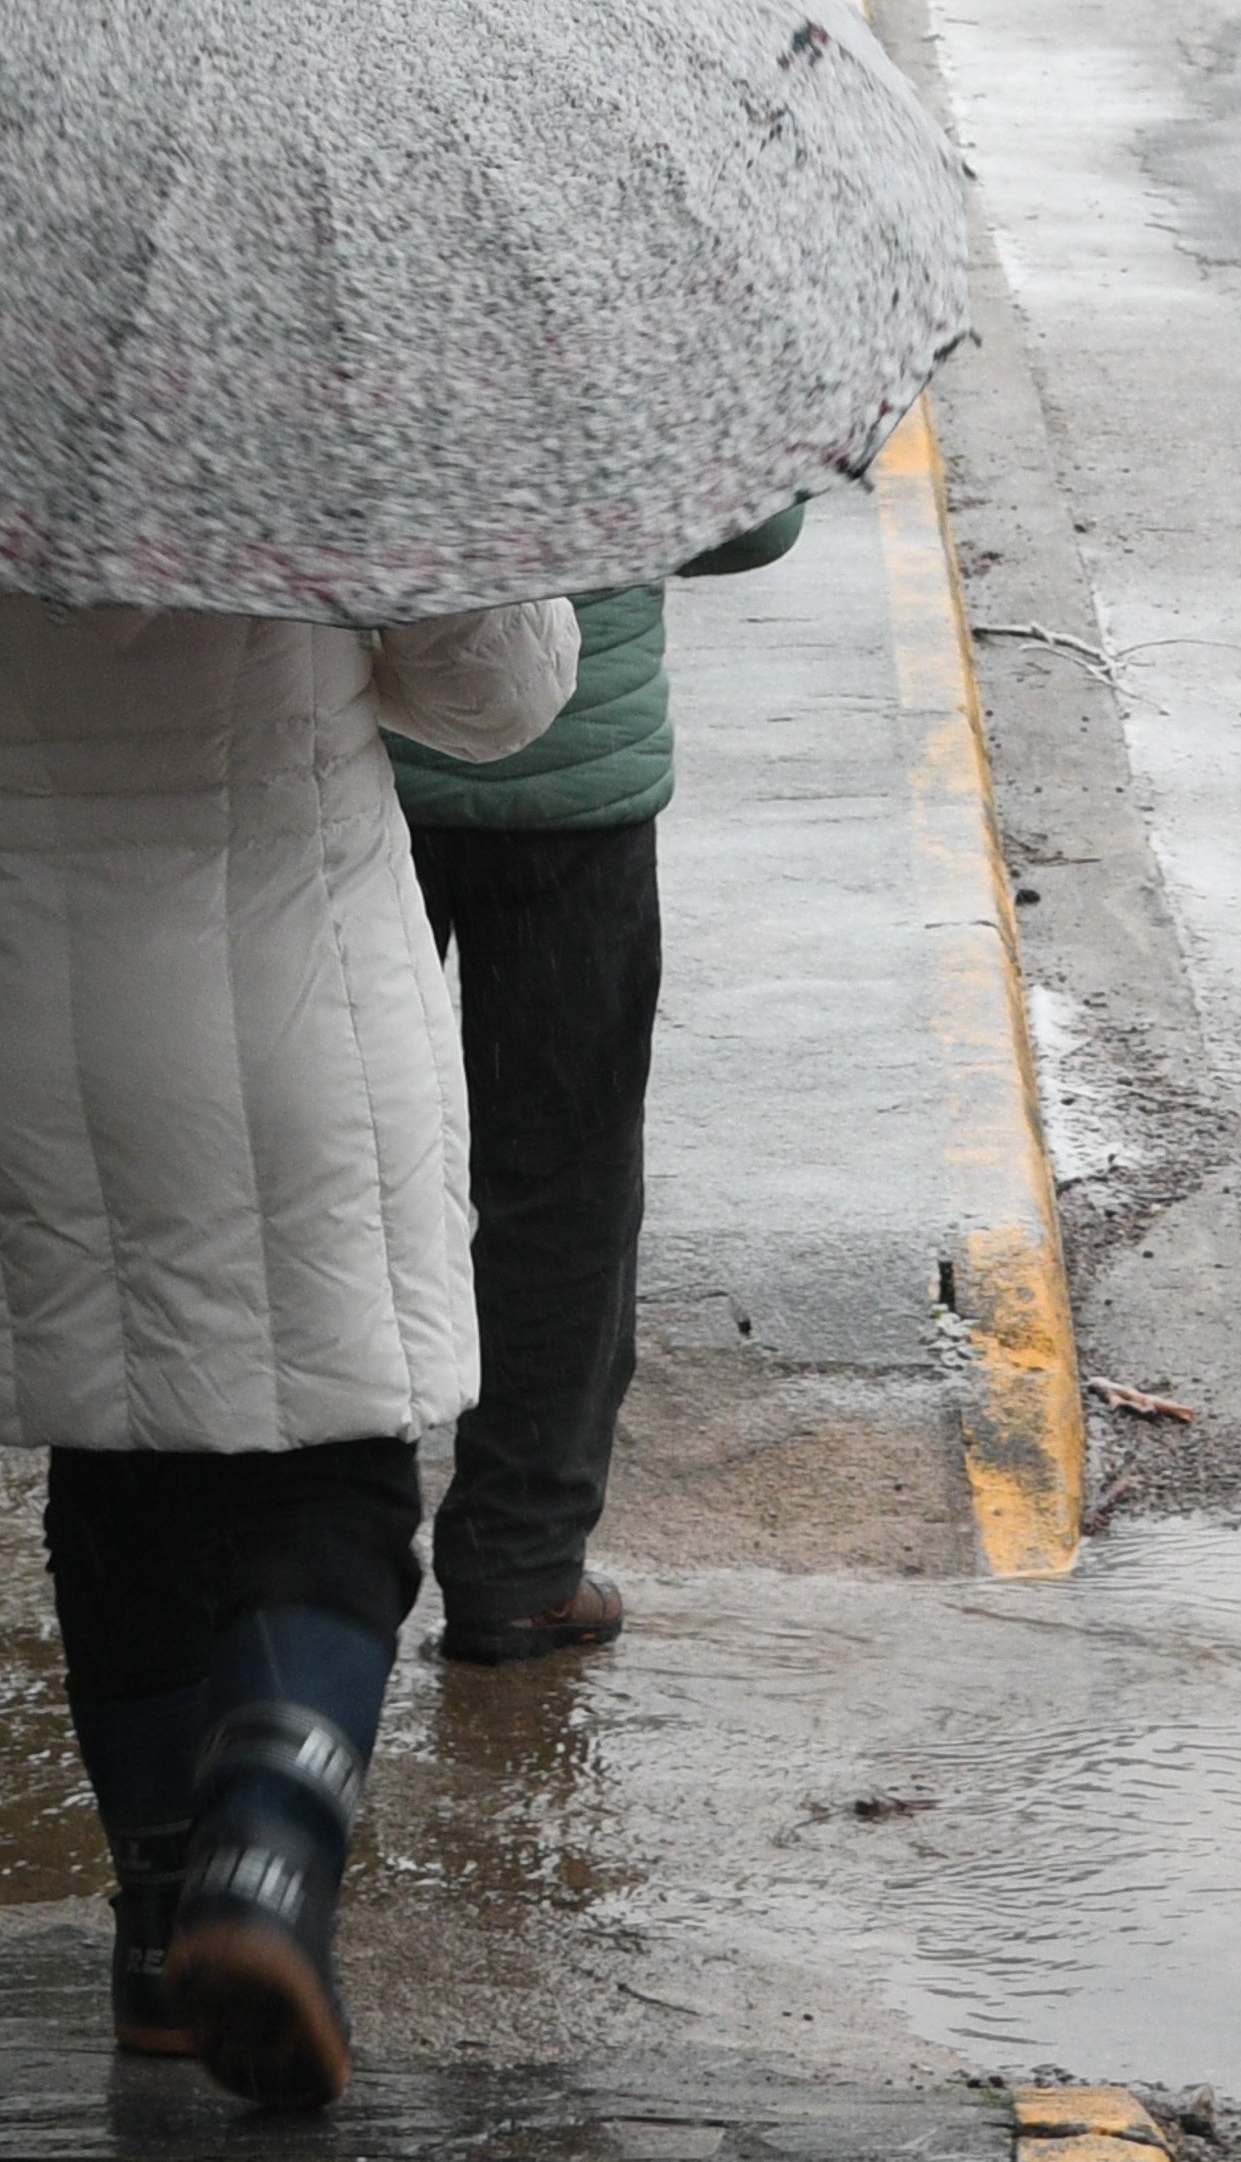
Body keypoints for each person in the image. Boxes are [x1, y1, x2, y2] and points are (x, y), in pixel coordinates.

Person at [0, 536, 576, 2111]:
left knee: (116, 1459)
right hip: (288, 992)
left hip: (18, 1007)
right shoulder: (324, 426)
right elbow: (505, 698)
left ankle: (164, 1936)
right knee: (334, 1471)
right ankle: (266, 1855)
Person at [386, 505, 802, 1665]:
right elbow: (749, 525)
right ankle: (519, 1568)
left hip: (346, 791)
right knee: (559, 1181)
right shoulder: (604, 328)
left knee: (346, 1166)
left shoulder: (298, 327)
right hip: (571, 792)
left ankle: (336, 1553)